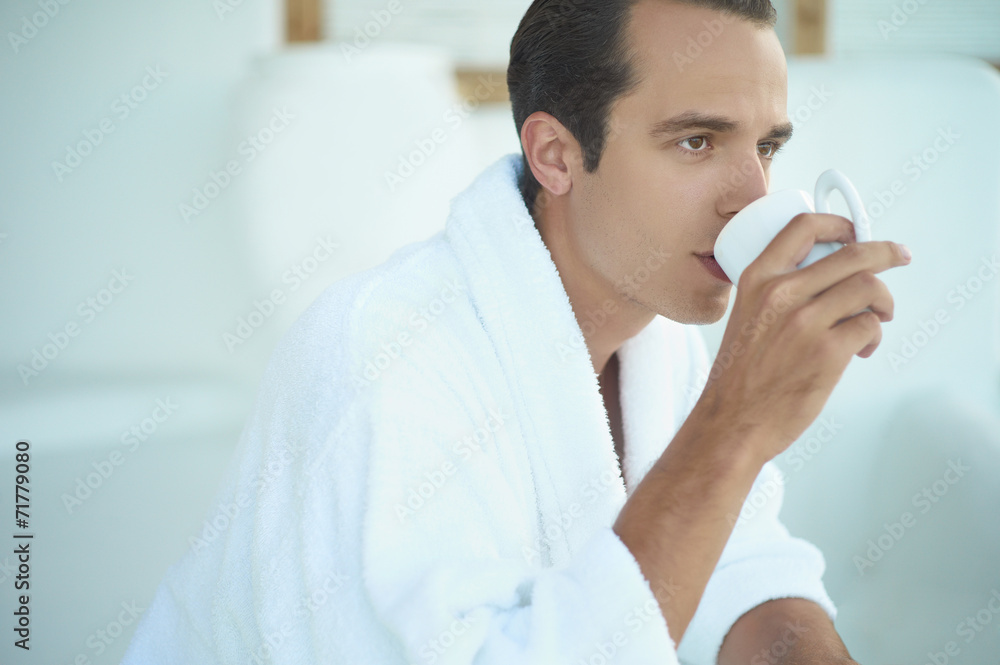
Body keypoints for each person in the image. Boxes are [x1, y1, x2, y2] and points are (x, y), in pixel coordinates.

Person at [121, 1, 911, 663]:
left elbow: (745, 580)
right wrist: (734, 425)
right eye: (697, 141)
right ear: (556, 155)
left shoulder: (661, 342)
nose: (754, 196)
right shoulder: (382, 357)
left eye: (767, 146)